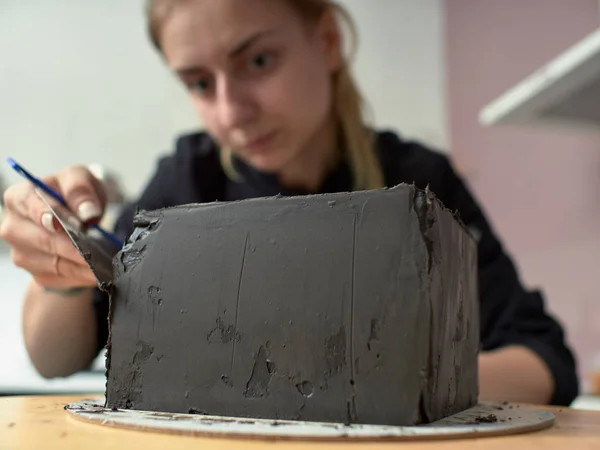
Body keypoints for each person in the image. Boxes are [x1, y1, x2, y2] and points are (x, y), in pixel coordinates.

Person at [0, 0, 578, 406]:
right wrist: (60, 267)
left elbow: (545, 362)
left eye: (257, 62)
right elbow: (55, 357)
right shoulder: (185, 182)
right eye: (200, 83)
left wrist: (387, 385)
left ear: (326, 41)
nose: (231, 112)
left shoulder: (419, 183)